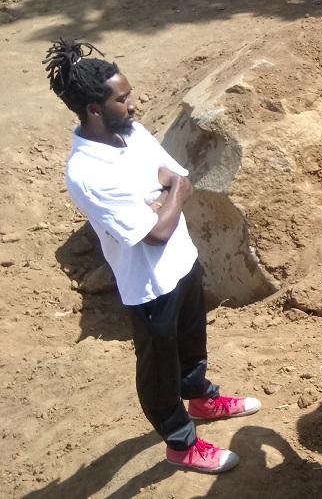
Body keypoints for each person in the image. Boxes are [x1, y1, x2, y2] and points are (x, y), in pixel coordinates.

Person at [46, 39, 260, 474]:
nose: (134, 104)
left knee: (192, 342)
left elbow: (179, 179)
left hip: (183, 263)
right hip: (148, 287)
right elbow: (157, 233)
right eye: (123, 99)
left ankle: (201, 398)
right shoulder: (88, 173)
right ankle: (180, 442)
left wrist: (165, 196)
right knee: (159, 371)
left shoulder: (131, 132)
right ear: (93, 109)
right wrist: (170, 196)